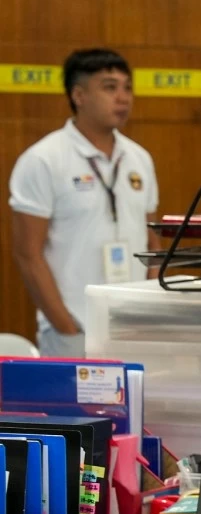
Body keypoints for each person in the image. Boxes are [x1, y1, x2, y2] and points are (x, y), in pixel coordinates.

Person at [9, 48, 159, 358]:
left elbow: (152, 242)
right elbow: (27, 253)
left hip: (133, 328)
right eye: (109, 87)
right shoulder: (43, 159)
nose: (123, 97)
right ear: (79, 95)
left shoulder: (139, 158)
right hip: (74, 330)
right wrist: (67, 326)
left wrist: (151, 310)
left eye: (127, 87)